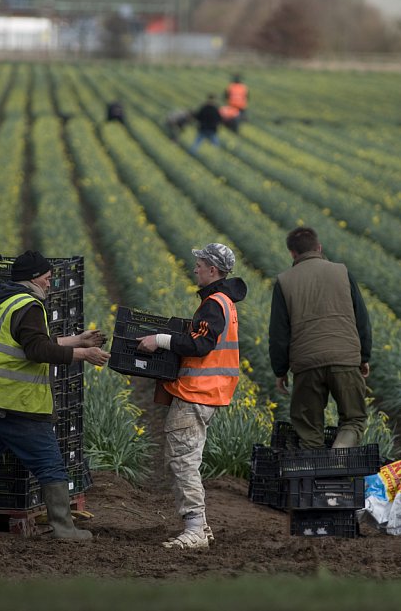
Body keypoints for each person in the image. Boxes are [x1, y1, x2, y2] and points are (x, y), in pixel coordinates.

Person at [0, 250, 110, 540]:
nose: (49, 283)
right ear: (33, 278)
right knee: (50, 464)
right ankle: (65, 529)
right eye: (47, 278)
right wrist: (84, 353)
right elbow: (36, 350)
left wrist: (77, 339)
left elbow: (26, 341)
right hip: (16, 404)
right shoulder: (29, 305)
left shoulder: (3, 300)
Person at [135, 243, 246, 550]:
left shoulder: (214, 303)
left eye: (199, 264)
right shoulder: (225, 301)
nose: (195, 268)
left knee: (183, 461)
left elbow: (200, 345)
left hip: (196, 394)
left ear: (213, 269)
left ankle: (195, 528)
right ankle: (201, 528)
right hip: (208, 394)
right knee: (186, 459)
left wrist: (158, 340)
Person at [269, 227, 372, 450]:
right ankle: (338, 459)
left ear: (292, 253)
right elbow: (361, 318)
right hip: (344, 359)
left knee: (308, 429)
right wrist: (363, 356)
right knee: (353, 419)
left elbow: (278, 333)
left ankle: (313, 477)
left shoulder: (284, 282)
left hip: (307, 365)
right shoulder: (342, 272)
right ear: (319, 248)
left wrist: (280, 370)